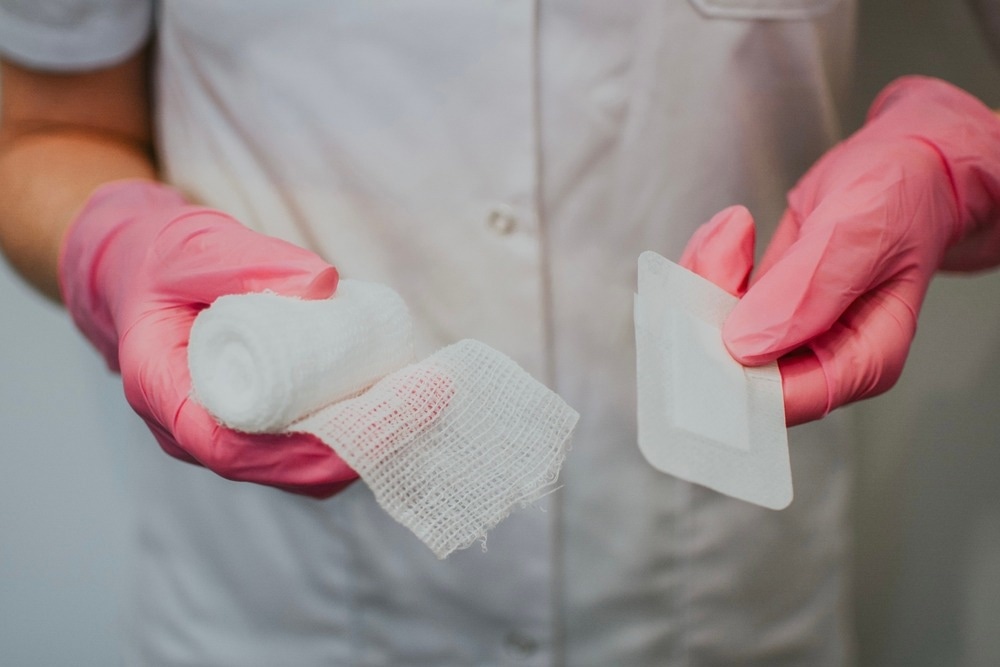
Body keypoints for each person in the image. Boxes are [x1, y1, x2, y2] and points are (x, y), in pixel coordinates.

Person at [2, 1, 999, 665]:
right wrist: (112, 254)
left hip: (717, 598)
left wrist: (965, 160)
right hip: (282, 609)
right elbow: (38, 125)